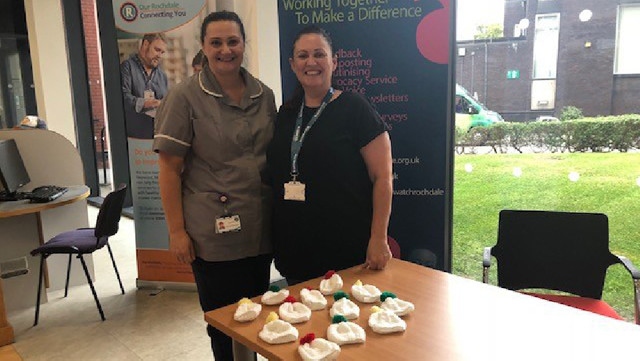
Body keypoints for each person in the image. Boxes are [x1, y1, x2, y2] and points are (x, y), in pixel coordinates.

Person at [152, 11, 276, 361]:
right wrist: (177, 232)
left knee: (257, 321)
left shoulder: (263, 95)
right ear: (204, 47)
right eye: (216, 42)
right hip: (213, 235)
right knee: (224, 324)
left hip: (259, 229)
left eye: (232, 41)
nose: (225, 50)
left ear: (243, 44)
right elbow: (169, 170)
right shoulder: (184, 98)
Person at [267, 25, 394, 285]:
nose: (311, 62)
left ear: (333, 62)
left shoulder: (354, 108)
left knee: (345, 323)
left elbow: (383, 178)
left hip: (345, 250)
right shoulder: (286, 114)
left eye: (319, 54)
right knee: (303, 322)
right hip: (296, 249)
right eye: (302, 56)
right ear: (292, 64)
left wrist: (378, 239)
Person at [120, 33, 168, 139]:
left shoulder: (162, 76)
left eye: (162, 52)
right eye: (157, 50)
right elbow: (122, 98)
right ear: (146, 44)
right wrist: (146, 103)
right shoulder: (127, 67)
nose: (160, 55)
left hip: (156, 138)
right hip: (133, 139)